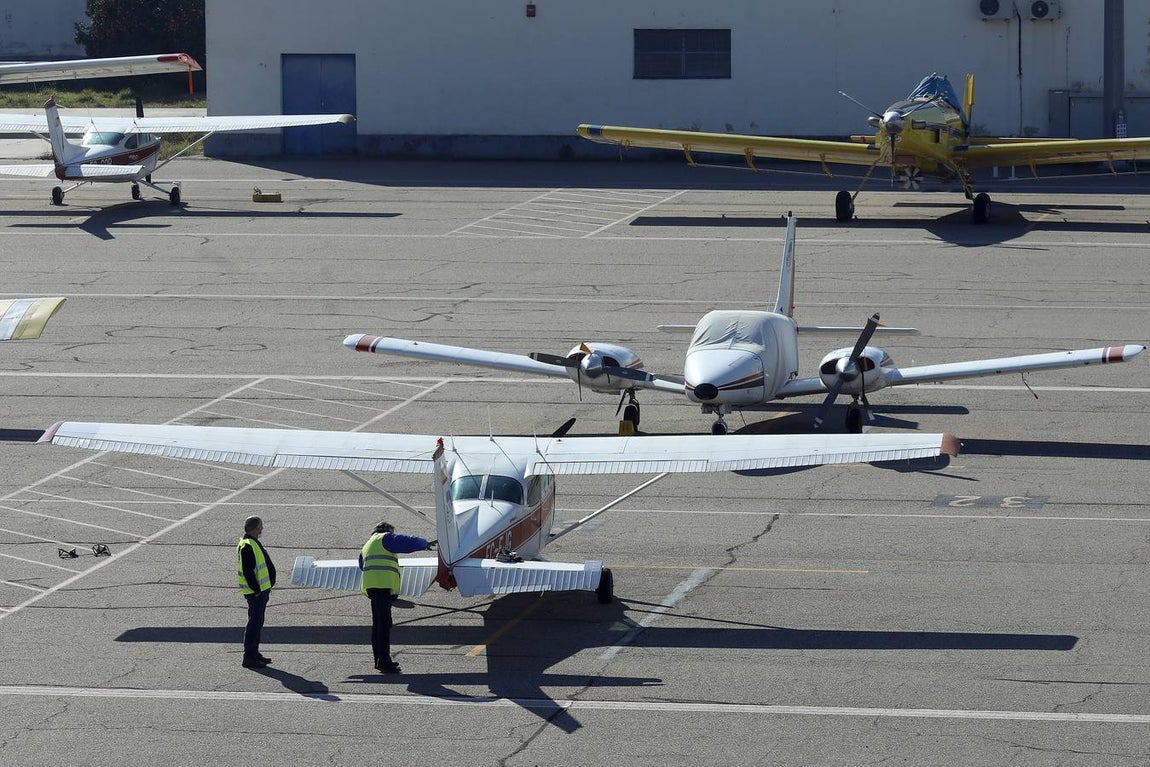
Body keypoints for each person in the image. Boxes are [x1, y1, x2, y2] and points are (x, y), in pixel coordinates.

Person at [359, 521, 435, 673]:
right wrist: (424, 544)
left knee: (378, 625)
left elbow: (361, 565)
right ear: (387, 530)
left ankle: (379, 660)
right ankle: (385, 662)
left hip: (372, 588)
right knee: (384, 625)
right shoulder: (385, 538)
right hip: (382, 587)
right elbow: (406, 542)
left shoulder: (367, 544)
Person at [237, 515, 276, 669]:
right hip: (256, 594)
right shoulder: (248, 545)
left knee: (257, 623)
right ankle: (248, 656)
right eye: (260, 526)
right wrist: (257, 590)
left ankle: (254, 653)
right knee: (253, 624)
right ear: (255, 528)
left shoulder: (252, 543)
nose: (262, 529)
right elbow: (248, 571)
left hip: (260, 591)